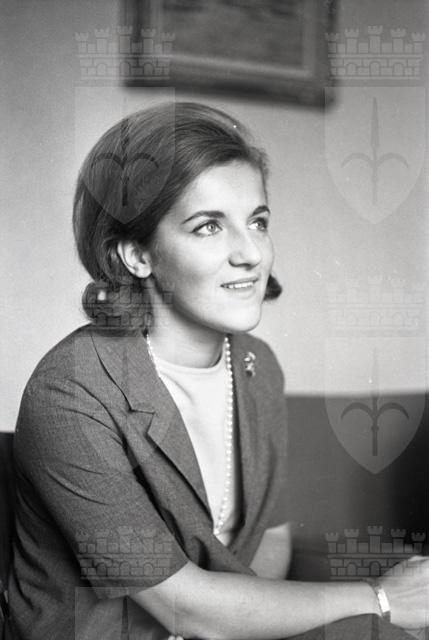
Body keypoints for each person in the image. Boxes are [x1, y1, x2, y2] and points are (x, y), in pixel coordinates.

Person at [8, 102, 429, 640]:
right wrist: (382, 597)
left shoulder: (259, 367)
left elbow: (271, 536)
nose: (251, 253)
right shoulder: (71, 391)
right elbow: (182, 608)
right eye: (209, 226)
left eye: (258, 222)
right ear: (136, 254)